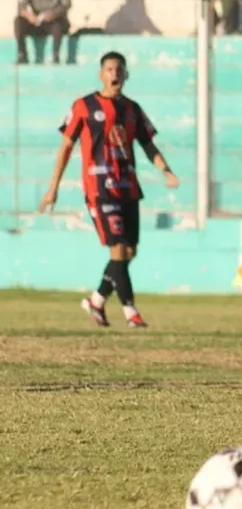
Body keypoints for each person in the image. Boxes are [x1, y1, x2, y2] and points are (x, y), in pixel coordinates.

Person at [38, 51, 179, 328]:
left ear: (126, 75)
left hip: (128, 187)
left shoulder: (133, 109)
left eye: (119, 70)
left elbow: (148, 145)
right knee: (118, 250)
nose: (115, 74)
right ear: (101, 74)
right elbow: (67, 145)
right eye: (110, 69)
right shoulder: (84, 106)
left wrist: (166, 169)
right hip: (100, 187)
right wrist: (53, 187)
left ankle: (97, 300)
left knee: (129, 252)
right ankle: (131, 312)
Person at [14, 0, 72, 65]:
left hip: (53, 22)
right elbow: (21, 6)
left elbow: (66, 4)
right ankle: (22, 55)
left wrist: (53, 13)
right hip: (37, 23)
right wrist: (29, 15)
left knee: (57, 25)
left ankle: (55, 57)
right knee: (18, 21)